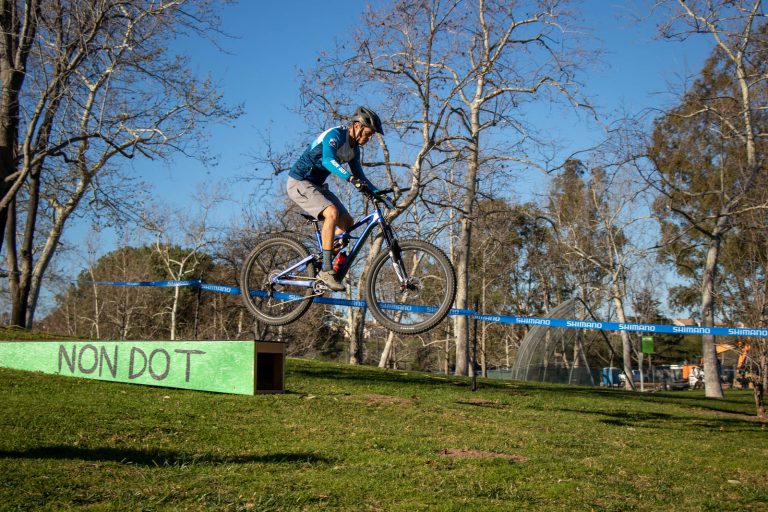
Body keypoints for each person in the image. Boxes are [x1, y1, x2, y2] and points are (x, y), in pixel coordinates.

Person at [286, 106, 384, 291]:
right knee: (331, 212)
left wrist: (380, 193)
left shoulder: (355, 150)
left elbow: (361, 176)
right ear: (357, 126)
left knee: (347, 221)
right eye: (369, 134)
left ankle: (328, 260)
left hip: (317, 186)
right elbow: (327, 161)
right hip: (299, 182)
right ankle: (326, 269)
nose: (369, 139)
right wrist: (349, 178)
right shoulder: (335, 135)